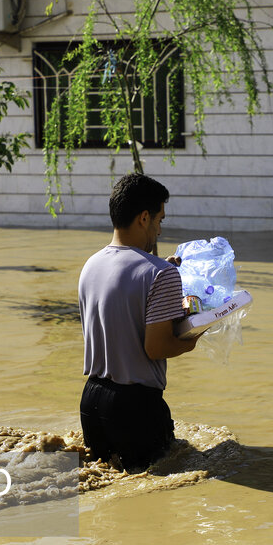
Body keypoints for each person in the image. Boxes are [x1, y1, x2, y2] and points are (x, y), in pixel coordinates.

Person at [77, 173, 199, 472]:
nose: (159, 229)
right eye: (160, 219)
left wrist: (161, 273)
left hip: (91, 404)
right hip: (135, 407)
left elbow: (121, 314)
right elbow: (157, 348)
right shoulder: (160, 273)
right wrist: (194, 336)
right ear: (144, 218)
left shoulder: (91, 265)